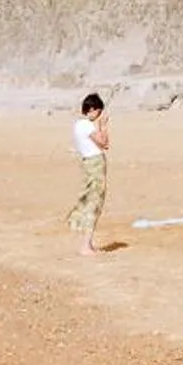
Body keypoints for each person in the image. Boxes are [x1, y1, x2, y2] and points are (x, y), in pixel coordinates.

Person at [68, 92, 109, 257]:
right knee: (94, 203)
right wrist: (103, 126)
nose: (98, 115)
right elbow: (104, 143)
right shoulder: (87, 125)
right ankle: (85, 245)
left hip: (88, 163)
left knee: (92, 200)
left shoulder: (78, 125)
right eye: (97, 112)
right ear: (91, 109)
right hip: (94, 164)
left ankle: (88, 244)